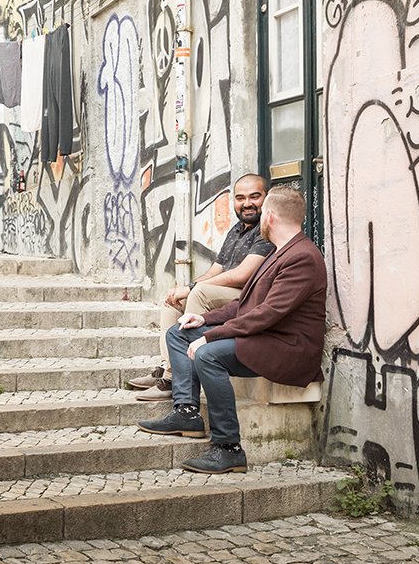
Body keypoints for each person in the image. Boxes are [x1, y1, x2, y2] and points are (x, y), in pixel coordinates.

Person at [138, 184, 326, 475]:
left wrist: (210, 336)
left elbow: (268, 314)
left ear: (270, 217)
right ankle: (186, 412)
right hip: (266, 337)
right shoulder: (279, 252)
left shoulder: (302, 256)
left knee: (208, 355)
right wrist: (205, 320)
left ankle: (228, 449)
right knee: (178, 332)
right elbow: (244, 306)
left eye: (262, 212)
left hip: (287, 348)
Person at [126, 172, 272, 401]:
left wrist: (193, 287)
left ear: (267, 197)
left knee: (199, 293)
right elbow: (217, 270)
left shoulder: (266, 229)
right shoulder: (236, 230)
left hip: (249, 296)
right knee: (173, 300)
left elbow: (243, 274)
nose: (247, 204)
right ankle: (169, 370)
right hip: (228, 292)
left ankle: (179, 380)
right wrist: (184, 288)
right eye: (240, 198)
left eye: (255, 197)